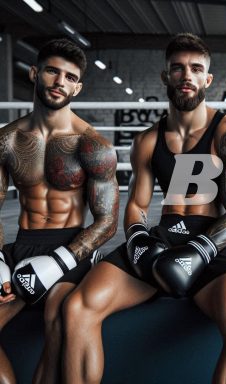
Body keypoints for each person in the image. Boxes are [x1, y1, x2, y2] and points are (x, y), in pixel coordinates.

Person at [63, 32, 226, 384]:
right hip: (163, 239)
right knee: (79, 307)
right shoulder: (147, 140)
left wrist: (201, 251)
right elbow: (137, 203)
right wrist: (138, 239)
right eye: (178, 68)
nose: (187, 75)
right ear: (165, 76)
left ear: (207, 80)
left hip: (214, 243)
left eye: (196, 69)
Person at [0, 38, 119, 384]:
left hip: (73, 248)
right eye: (53, 71)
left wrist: (58, 263)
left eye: (69, 77)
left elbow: (107, 222)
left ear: (78, 87)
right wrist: (0, 264)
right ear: (36, 73)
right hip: (21, 245)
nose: (59, 82)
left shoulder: (92, 143)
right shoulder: (7, 139)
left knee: (58, 320)